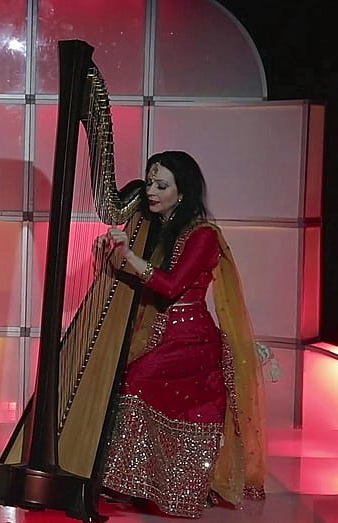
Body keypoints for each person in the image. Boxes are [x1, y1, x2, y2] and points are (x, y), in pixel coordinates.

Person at [98, 151, 266, 518]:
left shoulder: (202, 234)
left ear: (183, 192)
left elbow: (171, 286)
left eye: (161, 185)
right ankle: (136, 484)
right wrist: (113, 254)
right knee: (124, 377)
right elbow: (141, 276)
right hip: (161, 334)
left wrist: (128, 257)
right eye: (150, 183)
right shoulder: (157, 229)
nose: (151, 192)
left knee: (135, 380)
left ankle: (152, 484)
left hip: (190, 340)